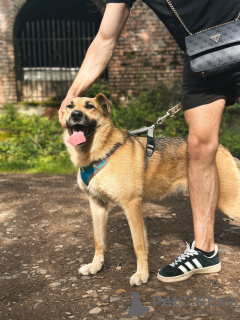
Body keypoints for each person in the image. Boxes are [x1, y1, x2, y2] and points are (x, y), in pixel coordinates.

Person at [58, 0, 240, 283]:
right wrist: (71, 95)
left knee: (233, 205)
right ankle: (205, 251)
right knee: (199, 145)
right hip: (203, 56)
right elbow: (105, 37)